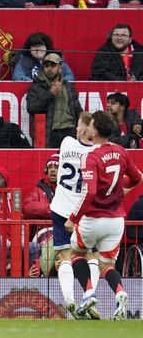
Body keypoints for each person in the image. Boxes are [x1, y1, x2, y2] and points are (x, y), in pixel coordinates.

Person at [67, 111, 142, 321]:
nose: (87, 128)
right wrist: (120, 189)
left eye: (90, 125)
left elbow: (89, 192)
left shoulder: (90, 156)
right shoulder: (120, 151)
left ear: (96, 131)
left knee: (76, 254)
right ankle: (120, 294)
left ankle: (89, 294)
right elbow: (137, 177)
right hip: (116, 220)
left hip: (93, 219)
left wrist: (72, 218)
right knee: (107, 265)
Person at [49, 112, 98, 319]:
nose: (76, 128)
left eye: (79, 125)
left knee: (64, 257)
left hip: (60, 207)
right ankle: (89, 297)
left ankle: (69, 299)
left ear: (85, 129)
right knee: (91, 256)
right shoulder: (96, 152)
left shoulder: (66, 143)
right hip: (83, 211)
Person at [26, 53, 82, 148]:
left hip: (69, 131)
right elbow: (32, 108)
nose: (49, 69)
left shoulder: (68, 86)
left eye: (53, 65)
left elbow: (77, 109)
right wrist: (50, 94)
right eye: (46, 66)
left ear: (60, 67)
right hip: (50, 133)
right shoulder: (36, 86)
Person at [23, 154, 58, 219]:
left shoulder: (67, 190)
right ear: (46, 170)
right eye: (50, 167)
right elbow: (27, 207)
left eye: (56, 167)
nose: (52, 170)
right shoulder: (39, 190)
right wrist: (52, 210)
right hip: (44, 229)